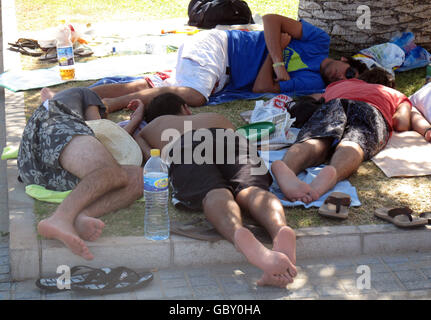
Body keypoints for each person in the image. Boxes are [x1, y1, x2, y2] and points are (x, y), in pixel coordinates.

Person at [123, 93, 298, 288]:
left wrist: (138, 118)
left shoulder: (151, 128)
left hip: (184, 144)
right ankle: (279, 228)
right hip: (230, 139)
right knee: (252, 190)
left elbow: (150, 156)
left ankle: (237, 233)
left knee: (213, 192)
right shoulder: (214, 116)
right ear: (186, 108)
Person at [90, 13, 366, 112]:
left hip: (221, 72)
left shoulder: (312, 82)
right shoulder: (318, 42)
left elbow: (260, 88)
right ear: (346, 60)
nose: (340, 78)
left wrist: (274, 56)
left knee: (148, 83)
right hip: (219, 46)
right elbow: (271, 19)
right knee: (195, 95)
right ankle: (111, 106)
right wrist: (278, 64)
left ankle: (78, 97)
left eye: (345, 82)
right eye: (349, 72)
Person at [270, 67, 430, 204]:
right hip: (371, 110)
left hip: (337, 102)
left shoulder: (339, 84)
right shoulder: (394, 94)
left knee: (315, 139)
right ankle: (333, 172)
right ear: (388, 85)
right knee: (355, 143)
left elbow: (313, 98)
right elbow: (400, 123)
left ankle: (287, 167)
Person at [17, 87, 143, 260]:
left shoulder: (60, 106)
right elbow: (98, 126)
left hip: (39, 169)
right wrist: (136, 119)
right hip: (55, 122)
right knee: (110, 172)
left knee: (139, 177)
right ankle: (60, 219)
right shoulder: (84, 93)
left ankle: (82, 216)